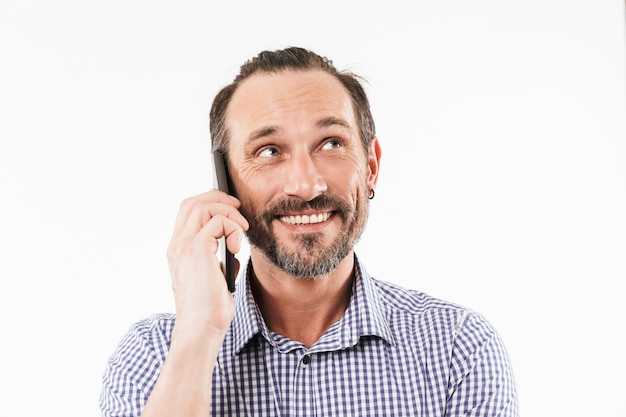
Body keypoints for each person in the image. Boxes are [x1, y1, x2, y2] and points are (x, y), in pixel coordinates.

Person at [99, 46, 519, 417]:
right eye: (269, 151)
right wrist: (198, 333)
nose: (306, 185)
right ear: (225, 183)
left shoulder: (458, 350)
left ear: (370, 166)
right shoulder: (153, 359)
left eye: (331, 143)